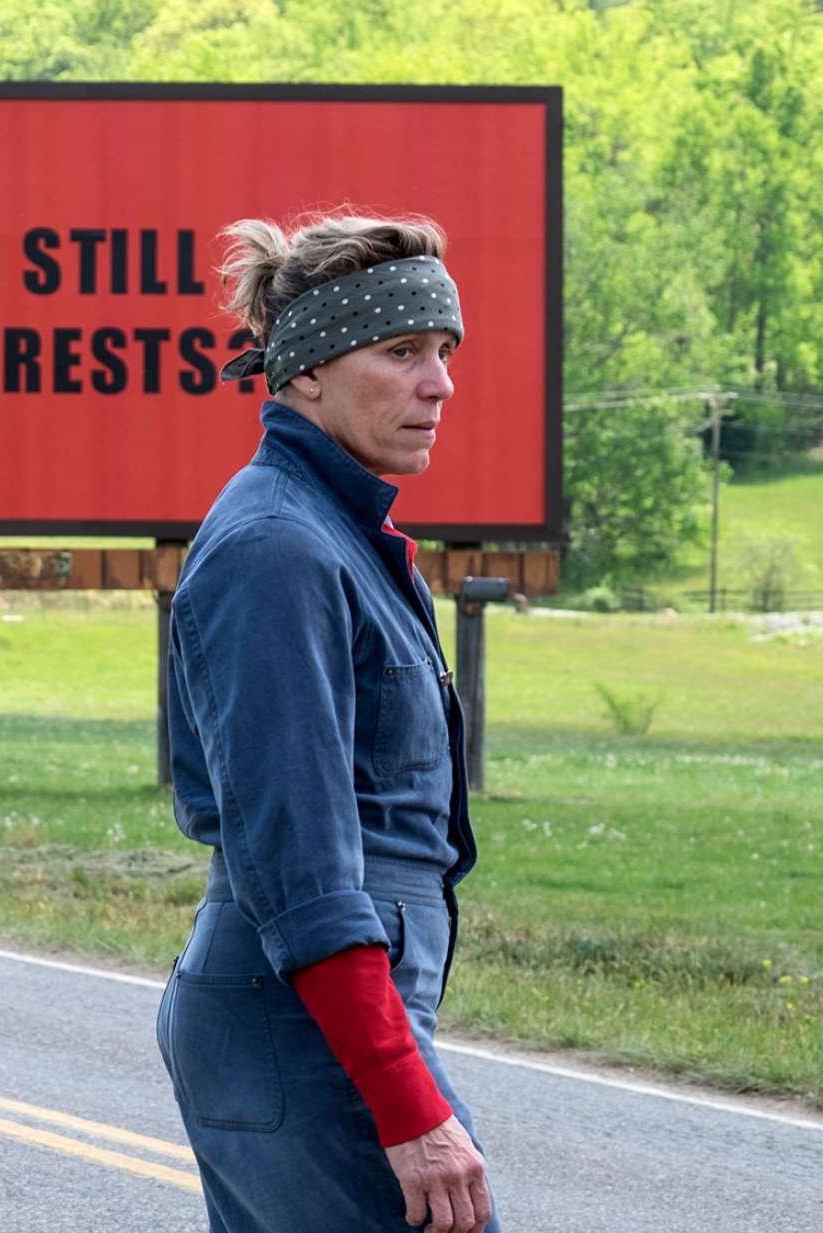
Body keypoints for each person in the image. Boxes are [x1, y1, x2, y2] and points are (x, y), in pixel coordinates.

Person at [155, 213, 497, 1233]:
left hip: (309, 1017)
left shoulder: (333, 535)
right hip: (301, 1021)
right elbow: (297, 861)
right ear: (303, 372)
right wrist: (405, 1102)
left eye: (441, 353)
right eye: (399, 353)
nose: (435, 384)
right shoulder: (275, 549)